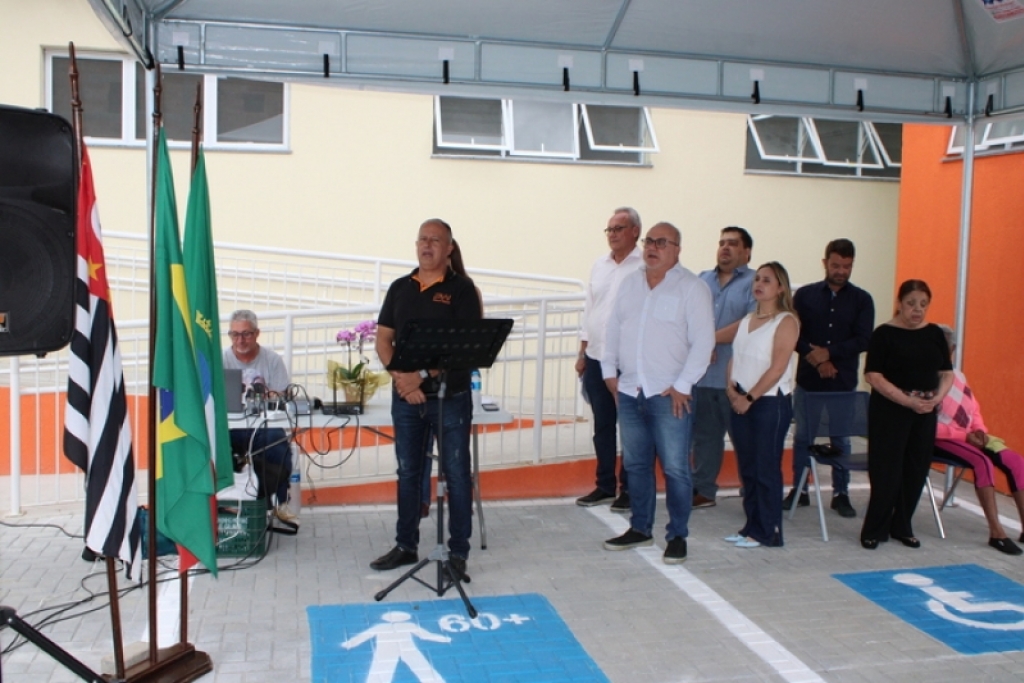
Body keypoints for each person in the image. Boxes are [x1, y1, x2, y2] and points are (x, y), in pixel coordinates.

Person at [370, 219, 482, 578]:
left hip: (450, 398)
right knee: (408, 472)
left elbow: (462, 347)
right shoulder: (400, 287)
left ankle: (458, 552)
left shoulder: (463, 290)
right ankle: (406, 546)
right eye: (422, 239)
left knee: (456, 474)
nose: (427, 245)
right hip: (406, 399)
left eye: (435, 240)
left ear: (449, 248)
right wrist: (402, 380)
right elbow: (383, 340)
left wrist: (419, 376)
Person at [600, 222, 715, 564]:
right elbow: (612, 328)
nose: (652, 247)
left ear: (677, 249)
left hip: (670, 395)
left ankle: (677, 535)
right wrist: (609, 372)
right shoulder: (629, 283)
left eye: (662, 242)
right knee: (636, 465)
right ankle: (640, 528)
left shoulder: (692, 288)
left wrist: (683, 385)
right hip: (630, 390)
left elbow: (704, 342)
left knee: (676, 469)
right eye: (649, 241)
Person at [784, 239, 874, 518]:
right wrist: (817, 358)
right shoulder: (805, 295)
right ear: (825, 263)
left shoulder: (862, 300)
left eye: (847, 266)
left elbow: (863, 339)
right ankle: (800, 490)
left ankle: (840, 493)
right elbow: (793, 333)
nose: (841, 271)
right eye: (836, 265)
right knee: (803, 438)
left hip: (842, 383)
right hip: (809, 381)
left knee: (841, 440)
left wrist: (829, 354)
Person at [860, 280, 953, 550]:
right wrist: (907, 401)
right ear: (899, 303)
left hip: (925, 410)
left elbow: (947, 373)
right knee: (887, 471)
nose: (917, 309)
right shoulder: (884, 334)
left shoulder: (934, 333)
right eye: (911, 303)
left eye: (923, 304)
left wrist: (937, 398)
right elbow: (873, 375)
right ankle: (874, 529)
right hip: (891, 410)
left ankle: (902, 525)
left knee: (916, 469)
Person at [724, 262, 799, 548]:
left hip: (768, 403)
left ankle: (768, 530)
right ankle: (751, 526)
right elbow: (735, 357)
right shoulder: (747, 319)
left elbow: (777, 368)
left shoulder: (786, 321)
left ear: (780, 288)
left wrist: (750, 398)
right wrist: (731, 390)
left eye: (767, 280)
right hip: (741, 399)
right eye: (757, 279)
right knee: (748, 468)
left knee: (765, 467)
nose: (759, 284)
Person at [574, 207, 643, 512]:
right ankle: (604, 485)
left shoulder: (644, 267)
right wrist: (582, 353)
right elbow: (591, 310)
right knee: (602, 426)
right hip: (596, 357)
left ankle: (629, 488)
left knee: (630, 427)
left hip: (627, 361)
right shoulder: (599, 266)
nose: (612, 235)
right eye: (609, 229)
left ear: (635, 232)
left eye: (619, 228)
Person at [934, 324, 1024, 555]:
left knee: (1016, 462)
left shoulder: (958, 375)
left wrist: (980, 431)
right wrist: (964, 436)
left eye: (946, 346)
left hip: (969, 435)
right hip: (941, 439)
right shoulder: (924, 377)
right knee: (983, 463)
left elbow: (973, 410)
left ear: (953, 349)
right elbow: (928, 427)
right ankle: (997, 533)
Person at [691, 226, 756, 508]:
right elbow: (687, 316)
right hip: (704, 377)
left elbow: (752, 322)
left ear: (746, 252)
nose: (725, 248)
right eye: (722, 243)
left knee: (746, 441)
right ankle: (703, 491)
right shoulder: (702, 280)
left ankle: (753, 492)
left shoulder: (756, 281)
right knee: (705, 438)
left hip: (738, 380)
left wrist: (709, 340)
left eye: (733, 243)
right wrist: (700, 344)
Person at [419, 239, 483, 518]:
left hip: (453, 387)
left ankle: (459, 523)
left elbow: (469, 342)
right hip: (419, 390)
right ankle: (420, 503)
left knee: (455, 463)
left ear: (449, 255)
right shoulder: (414, 288)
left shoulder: (465, 291)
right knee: (416, 457)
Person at [222, 309, 295, 521]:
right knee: (215, 448)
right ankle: (227, 503)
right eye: (235, 334)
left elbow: (282, 394)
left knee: (278, 444)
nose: (240, 340)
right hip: (230, 427)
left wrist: (273, 395)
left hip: (263, 426)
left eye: (246, 334)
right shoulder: (220, 359)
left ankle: (279, 501)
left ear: (256, 333)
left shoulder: (272, 360)